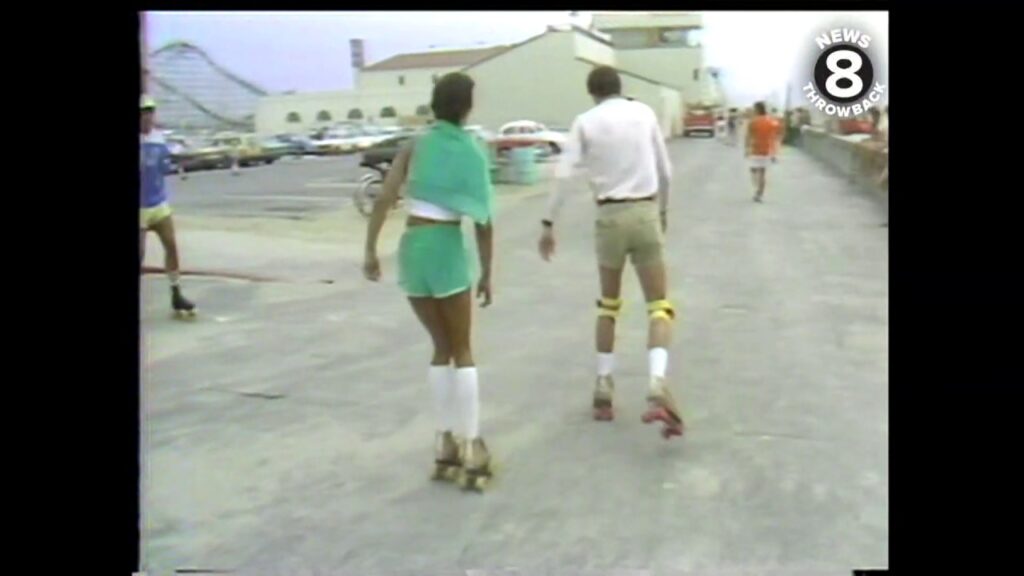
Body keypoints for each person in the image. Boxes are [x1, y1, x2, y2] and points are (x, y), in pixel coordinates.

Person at [363, 73, 496, 490]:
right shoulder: (472, 151)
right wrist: (488, 272)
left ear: (434, 104)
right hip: (446, 248)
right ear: (466, 107)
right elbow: (484, 220)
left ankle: (444, 443)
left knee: (439, 347)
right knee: (463, 349)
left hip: (413, 247)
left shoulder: (414, 145)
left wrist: (369, 249)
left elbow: (385, 196)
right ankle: (473, 446)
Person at [538, 66, 683, 439]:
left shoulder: (585, 122)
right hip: (645, 210)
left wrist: (548, 224)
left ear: (592, 93)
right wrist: (662, 212)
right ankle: (655, 381)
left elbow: (563, 175)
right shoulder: (644, 114)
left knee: (609, 304)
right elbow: (665, 171)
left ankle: (604, 385)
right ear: (621, 88)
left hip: (609, 215)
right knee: (659, 305)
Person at [140, 95, 196, 316]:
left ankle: (176, 295)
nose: (147, 117)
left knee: (171, 246)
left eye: (150, 112)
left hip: (159, 203)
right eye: (144, 113)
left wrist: (177, 163)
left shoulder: (159, 137)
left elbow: (165, 165)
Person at [745, 101, 780, 203]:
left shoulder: (753, 122)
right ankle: (759, 194)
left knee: (753, 170)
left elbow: (748, 136)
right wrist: (774, 152)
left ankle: (757, 188)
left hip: (755, 149)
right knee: (762, 173)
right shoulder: (771, 121)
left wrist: (746, 148)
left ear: (757, 110)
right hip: (767, 150)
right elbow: (775, 136)